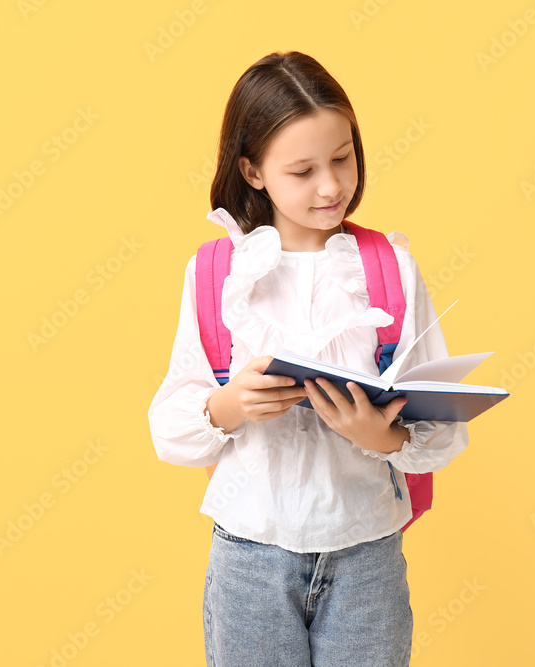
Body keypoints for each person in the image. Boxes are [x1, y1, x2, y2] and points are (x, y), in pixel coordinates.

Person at [148, 50, 469, 666]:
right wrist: (227, 404)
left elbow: (442, 427)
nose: (331, 186)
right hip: (249, 556)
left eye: (343, 158)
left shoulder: (390, 267)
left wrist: (384, 436)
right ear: (253, 170)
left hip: (366, 552)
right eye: (303, 171)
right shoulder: (216, 273)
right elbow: (171, 425)